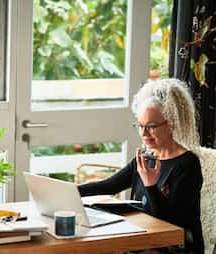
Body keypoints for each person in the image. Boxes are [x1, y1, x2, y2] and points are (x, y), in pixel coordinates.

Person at [78, 78, 204, 254]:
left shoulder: (187, 165)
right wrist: (69, 192)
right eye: (140, 126)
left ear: (172, 124)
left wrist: (150, 185)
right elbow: (108, 186)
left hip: (176, 247)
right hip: (143, 239)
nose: (144, 134)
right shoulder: (146, 157)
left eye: (151, 127)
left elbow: (170, 225)